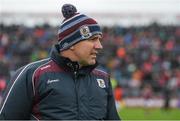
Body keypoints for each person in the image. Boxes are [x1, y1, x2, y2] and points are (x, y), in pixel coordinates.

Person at [0, 4, 120, 120]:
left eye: (99, 40)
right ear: (72, 43)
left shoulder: (103, 79)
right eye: (93, 39)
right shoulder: (32, 75)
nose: (99, 46)